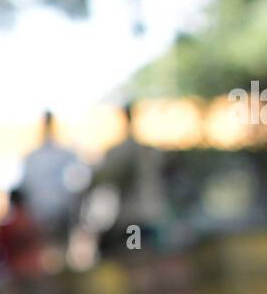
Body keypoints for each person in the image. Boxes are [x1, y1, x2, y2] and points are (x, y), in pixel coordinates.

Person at [94, 101, 169, 254]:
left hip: (133, 218)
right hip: (150, 215)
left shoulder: (124, 151)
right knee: (146, 256)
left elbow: (107, 178)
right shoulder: (149, 150)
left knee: (136, 257)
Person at [20, 111, 87, 254]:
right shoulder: (33, 157)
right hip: (40, 216)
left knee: (57, 253)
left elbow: (78, 182)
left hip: (60, 214)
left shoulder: (63, 154)